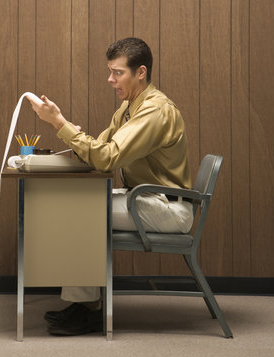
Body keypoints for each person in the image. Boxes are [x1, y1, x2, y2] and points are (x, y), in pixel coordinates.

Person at [27, 37, 193, 336]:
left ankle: (88, 309)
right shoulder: (129, 108)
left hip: (168, 208)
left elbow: (108, 158)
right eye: (110, 71)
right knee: (77, 206)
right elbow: (100, 146)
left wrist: (59, 123)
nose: (110, 79)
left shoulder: (154, 111)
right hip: (146, 200)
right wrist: (73, 134)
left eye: (118, 73)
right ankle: (86, 306)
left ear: (140, 72)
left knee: (82, 210)